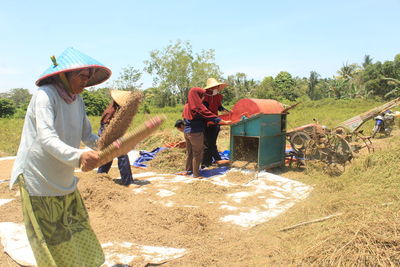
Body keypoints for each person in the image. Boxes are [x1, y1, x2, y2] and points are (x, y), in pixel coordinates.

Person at [10, 47, 111, 267]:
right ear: (63, 75)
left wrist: (106, 144)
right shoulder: (45, 95)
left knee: (75, 229)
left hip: (63, 174)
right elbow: (47, 138)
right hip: (38, 175)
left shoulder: (78, 100)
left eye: (88, 76)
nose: (86, 81)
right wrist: (79, 156)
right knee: (51, 237)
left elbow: (87, 135)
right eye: (81, 76)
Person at [182, 87, 230, 178]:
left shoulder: (187, 105)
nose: (203, 98)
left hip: (187, 132)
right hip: (195, 132)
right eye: (202, 96)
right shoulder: (197, 106)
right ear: (197, 95)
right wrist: (219, 120)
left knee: (190, 152)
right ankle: (196, 174)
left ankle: (188, 171)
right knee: (197, 153)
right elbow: (205, 112)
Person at [97, 90, 138, 188]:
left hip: (111, 133)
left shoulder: (116, 109)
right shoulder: (111, 111)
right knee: (122, 154)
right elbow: (106, 126)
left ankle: (100, 177)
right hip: (107, 133)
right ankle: (127, 182)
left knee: (108, 156)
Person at [202, 78, 230, 167]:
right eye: (216, 86)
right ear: (211, 87)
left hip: (216, 122)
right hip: (206, 122)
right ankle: (206, 163)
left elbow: (219, 107)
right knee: (207, 143)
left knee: (212, 142)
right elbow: (204, 110)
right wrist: (208, 120)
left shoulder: (217, 96)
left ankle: (211, 161)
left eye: (218, 86)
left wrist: (228, 111)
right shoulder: (204, 96)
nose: (217, 88)